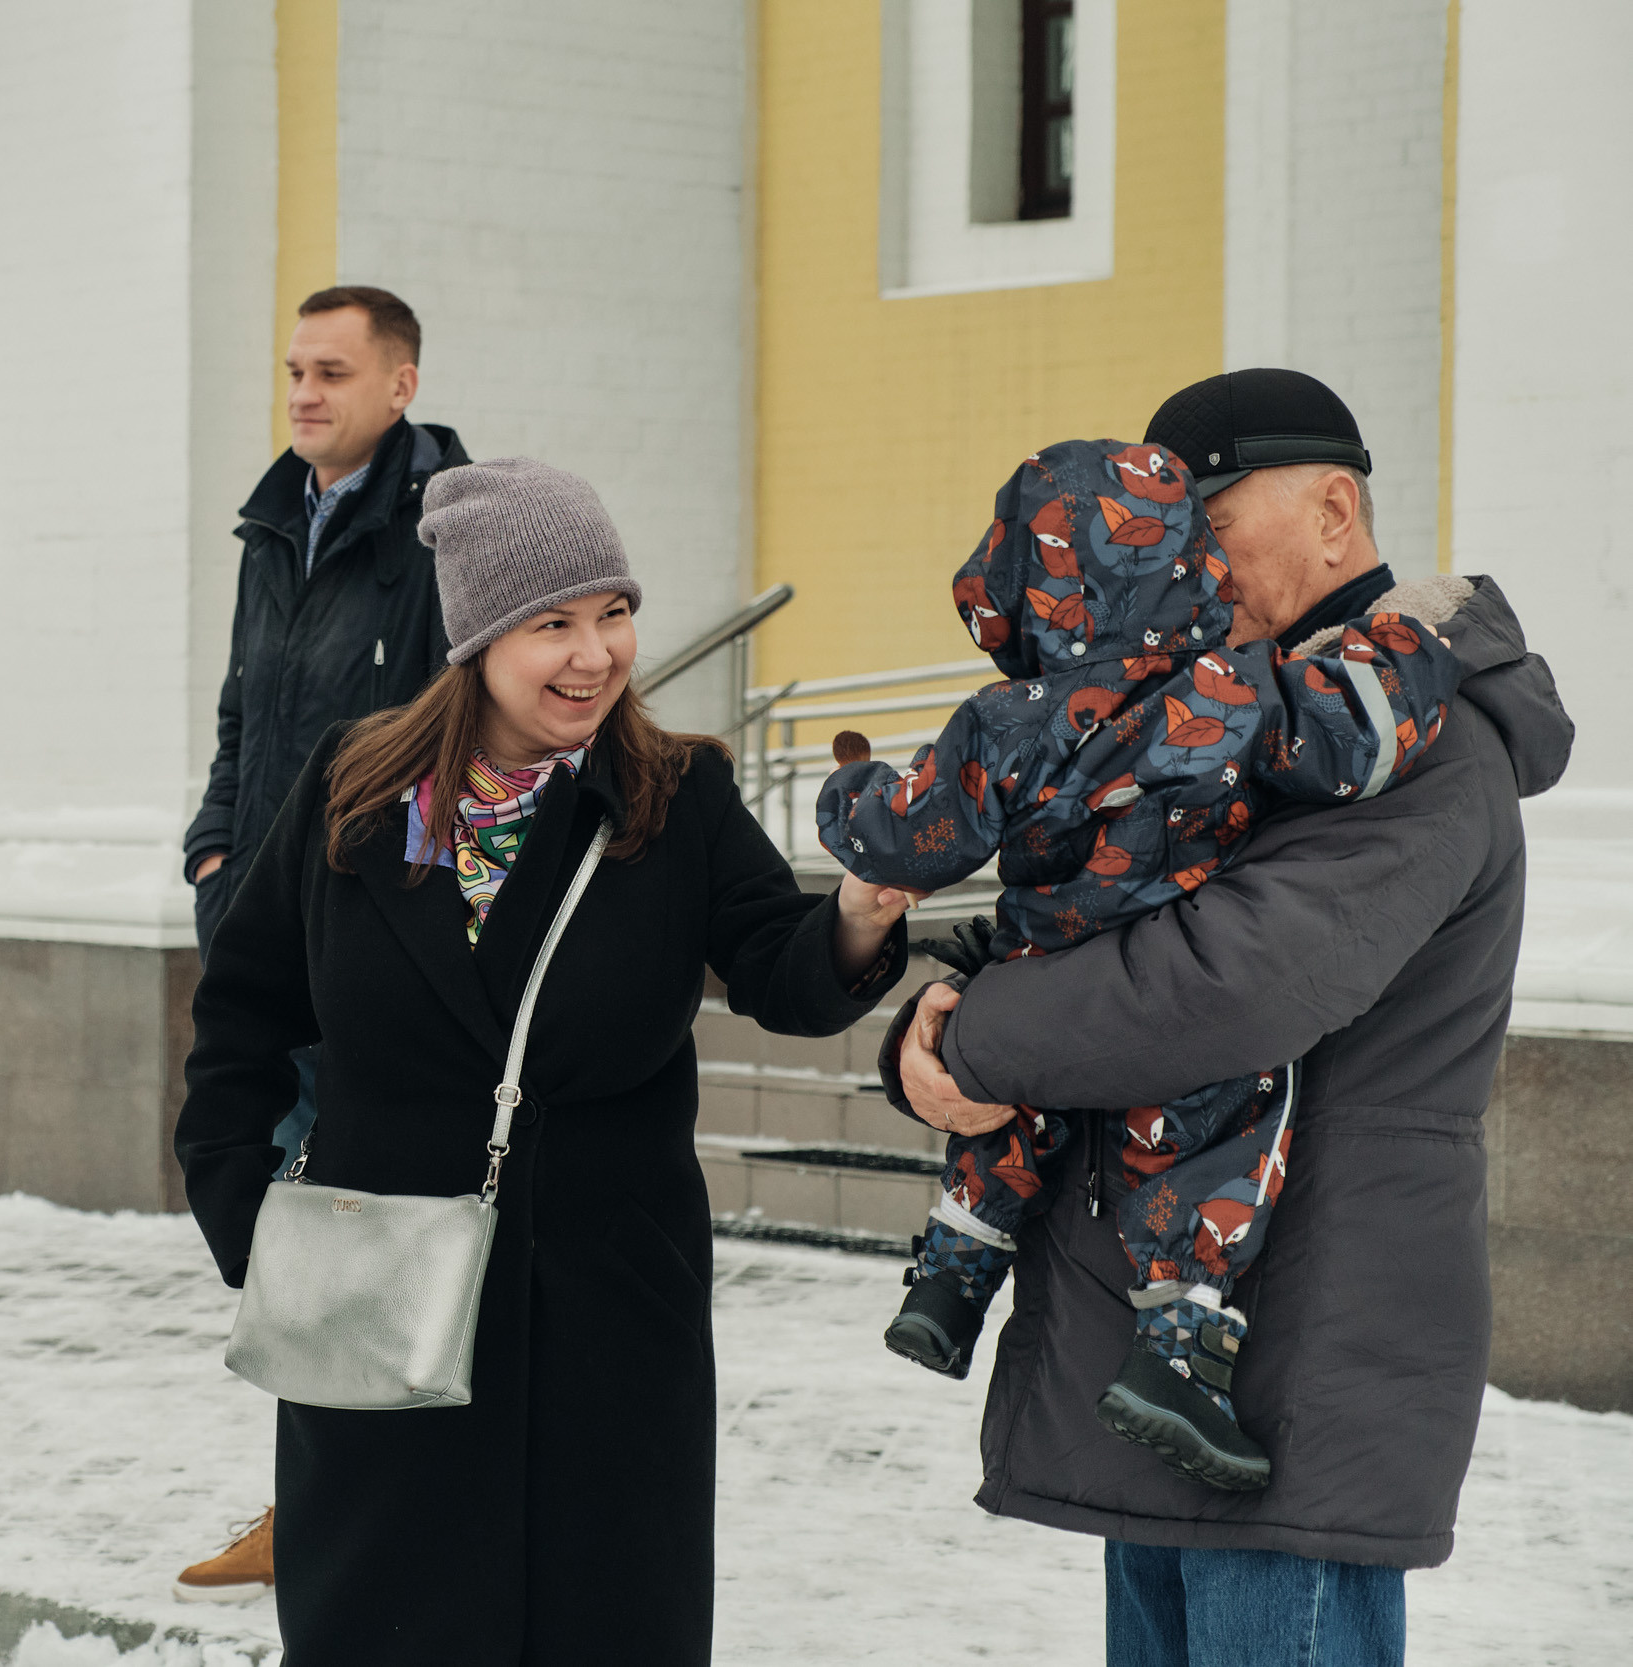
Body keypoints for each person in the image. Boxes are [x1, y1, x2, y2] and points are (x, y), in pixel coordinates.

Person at [175, 458, 913, 1664]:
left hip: (604, 1331)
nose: (593, 653)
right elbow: (244, 1011)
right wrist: (242, 1214)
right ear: (474, 635)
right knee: (386, 1627)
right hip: (381, 1322)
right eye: (551, 623)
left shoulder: (671, 794)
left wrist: (863, 912)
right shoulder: (354, 788)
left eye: (612, 612)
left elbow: (783, 967)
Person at [890, 371, 1574, 1665]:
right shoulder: (1232, 718)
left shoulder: (1416, 741)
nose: (1179, 567)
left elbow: (1232, 981)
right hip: (1172, 1360)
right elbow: (1085, 917)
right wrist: (931, 1025)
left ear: (1332, 506)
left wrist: (973, 1039)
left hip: (1302, 1353)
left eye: (1207, 526)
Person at [815, 436, 1461, 1492]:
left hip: (1038, 962)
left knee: (1012, 1111)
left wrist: (850, 790)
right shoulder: (1238, 691)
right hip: (1159, 968)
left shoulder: (998, 724)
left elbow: (900, 837)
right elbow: (1361, 730)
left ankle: (947, 1279)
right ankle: (1179, 1355)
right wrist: (1417, 639)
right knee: (1216, 1135)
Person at [174, 283, 467, 1603]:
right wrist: (215, 849)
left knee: (388, 1225)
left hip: (388, 945)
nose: (304, 392)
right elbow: (248, 706)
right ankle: (316, 1498)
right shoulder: (270, 522)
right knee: (298, 1230)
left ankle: (385, 1506)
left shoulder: (451, 528)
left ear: (400, 383)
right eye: (295, 368)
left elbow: (468, 729)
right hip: (268, 932)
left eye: (333, 371)